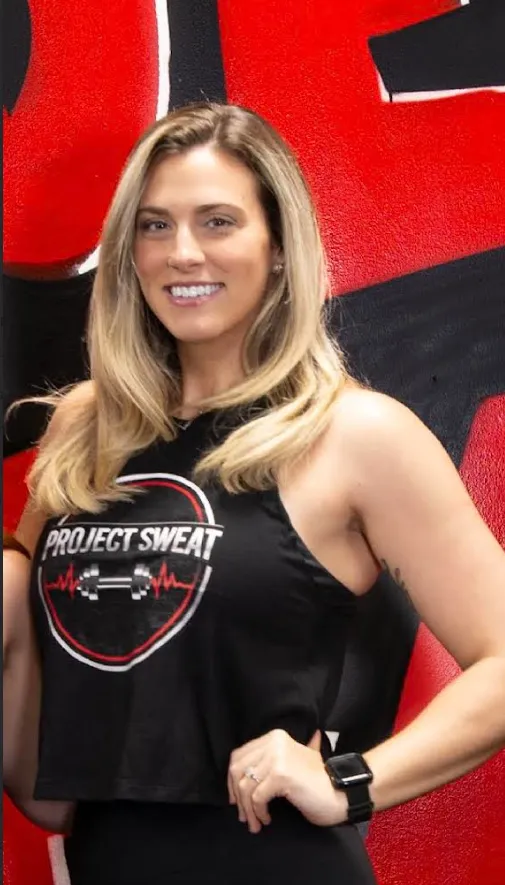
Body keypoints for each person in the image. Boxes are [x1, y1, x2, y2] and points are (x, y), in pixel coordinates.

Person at [3, 102, 505, 885]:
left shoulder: (351, 433)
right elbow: (48, 785)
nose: (182, 252)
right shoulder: (86, 426)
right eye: (155, 225)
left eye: (218, 222)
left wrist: (348, 782)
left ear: (276, 248)